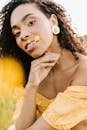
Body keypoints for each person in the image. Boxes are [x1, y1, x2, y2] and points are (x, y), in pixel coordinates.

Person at [0, 0, 87, 130]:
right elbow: (21, 128)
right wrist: (31, 86)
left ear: (53, 21)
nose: (23, 35)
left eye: (31, 22)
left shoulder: (83, 70)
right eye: (17, 33)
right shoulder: (33, 74)